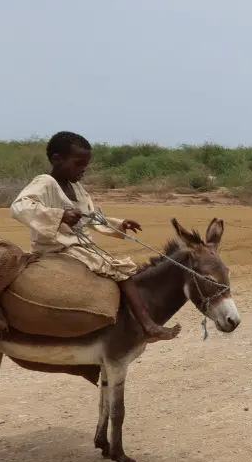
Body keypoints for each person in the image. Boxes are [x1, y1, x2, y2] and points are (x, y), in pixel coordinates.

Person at [11, 131, 179, 341]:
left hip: (79, 247)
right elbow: (19, 206)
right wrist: (59, 215)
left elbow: (91, 217)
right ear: (57, 159)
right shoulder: (45, 182)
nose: (82, 171)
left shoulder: (76, 188)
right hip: (56, 247)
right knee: (121, 271)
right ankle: (148, 326)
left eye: (85, 166)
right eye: (78, 164)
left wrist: (119, 224)